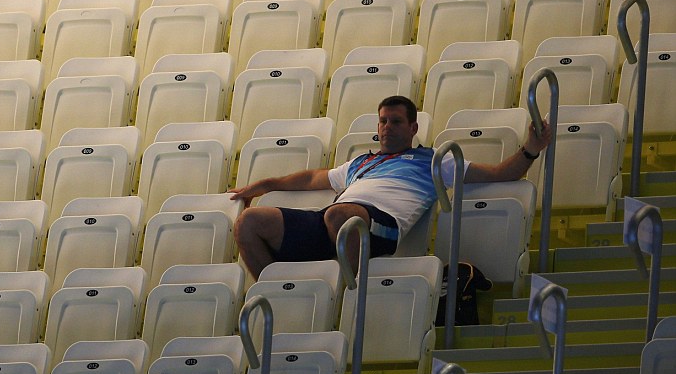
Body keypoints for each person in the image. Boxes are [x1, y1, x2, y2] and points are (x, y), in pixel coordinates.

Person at [230, 96, 551, 280]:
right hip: (332, 222)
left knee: (341, 214)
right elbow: (313, 178)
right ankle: (275, 293)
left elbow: (500, 173)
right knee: (249, 222)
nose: (387, 127)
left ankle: (353, 293)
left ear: (412, 128)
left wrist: (531, 149)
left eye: (395, 121)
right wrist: (267, 184)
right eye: (383, 121)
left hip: (380, 228)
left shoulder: (433, 160)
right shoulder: (360, 164)